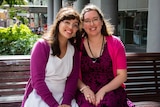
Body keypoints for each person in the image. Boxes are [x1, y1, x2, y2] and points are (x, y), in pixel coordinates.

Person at [76, 4, 135, 107]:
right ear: (82, 24)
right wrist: (84, 89)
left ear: (101, 22)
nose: (92, 24)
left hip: (111, 89)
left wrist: (103, 91)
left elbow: (122, 75)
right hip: (86, 90)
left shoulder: (116, 43)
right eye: (87, 21)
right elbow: (72, 75)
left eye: (95, 19)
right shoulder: (77, 45)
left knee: (107, 103)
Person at [21, 7, 81, 107]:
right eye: (67, 22)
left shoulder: (74, 50)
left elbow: (72, 79)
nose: (71, 27)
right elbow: (37, 81)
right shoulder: (42, 46)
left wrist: (66, 102)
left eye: (75, 25)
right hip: (41, 97)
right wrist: (54, 105)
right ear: (58, 23)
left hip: (64, 98)